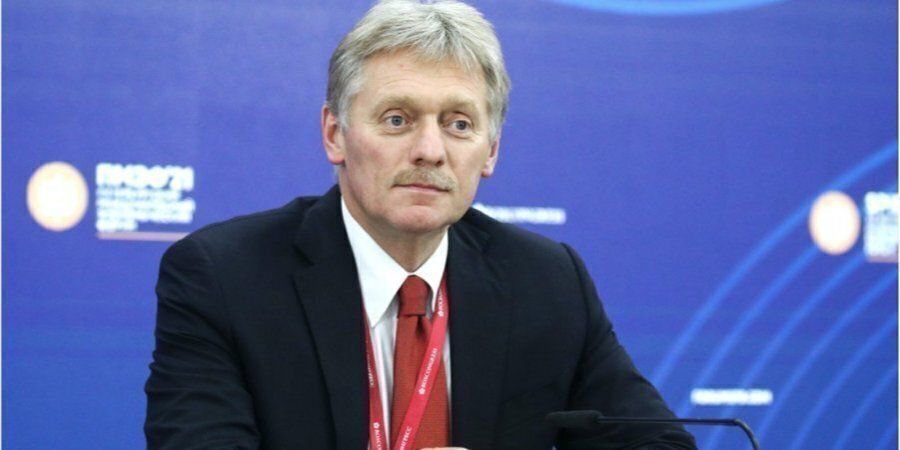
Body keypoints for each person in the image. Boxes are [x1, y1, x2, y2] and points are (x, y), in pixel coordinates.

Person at [144, 1, 697, 449]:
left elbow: (660, 445)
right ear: (335, 135)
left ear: (490, 151)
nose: (430, 150)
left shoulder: (547, 281)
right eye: (397, 119)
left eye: (458, 124)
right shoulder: (226, 278)